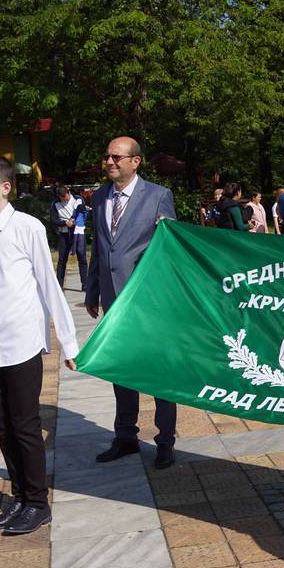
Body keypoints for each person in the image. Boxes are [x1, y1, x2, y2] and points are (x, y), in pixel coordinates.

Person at [0, 156, 78, 535]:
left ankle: (37, 503)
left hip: (20, 345)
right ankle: (18, 498)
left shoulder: (27, 227)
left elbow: (49, 284)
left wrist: (69, 342)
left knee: (25, 427)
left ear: (5, 187)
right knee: (3, 429)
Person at [85, 136, 179, 468]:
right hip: (114, 301)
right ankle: (125, 437)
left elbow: (168, 250)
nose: (109, 162)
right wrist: (92, 291)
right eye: (107, 156)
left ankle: (165, 441)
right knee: (121, 369)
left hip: (149, 304)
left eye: (116, 157)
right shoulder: (99, 197)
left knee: (158, 373)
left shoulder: (158, 196)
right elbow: (100, 249)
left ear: (135, 161)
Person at [51, 188, 88, 290]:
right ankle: (59, 285)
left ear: (69, 193)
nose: (64, 199)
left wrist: (74, 220)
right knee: (62, 260)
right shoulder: (55, 203)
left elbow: (83, 211)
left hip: (78, 232)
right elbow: (54, 219)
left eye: (65, 197)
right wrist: (65, 223)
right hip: (64, 234)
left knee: (82, 258)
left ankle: (85, 284)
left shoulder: (78, 199)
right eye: (62, 198)